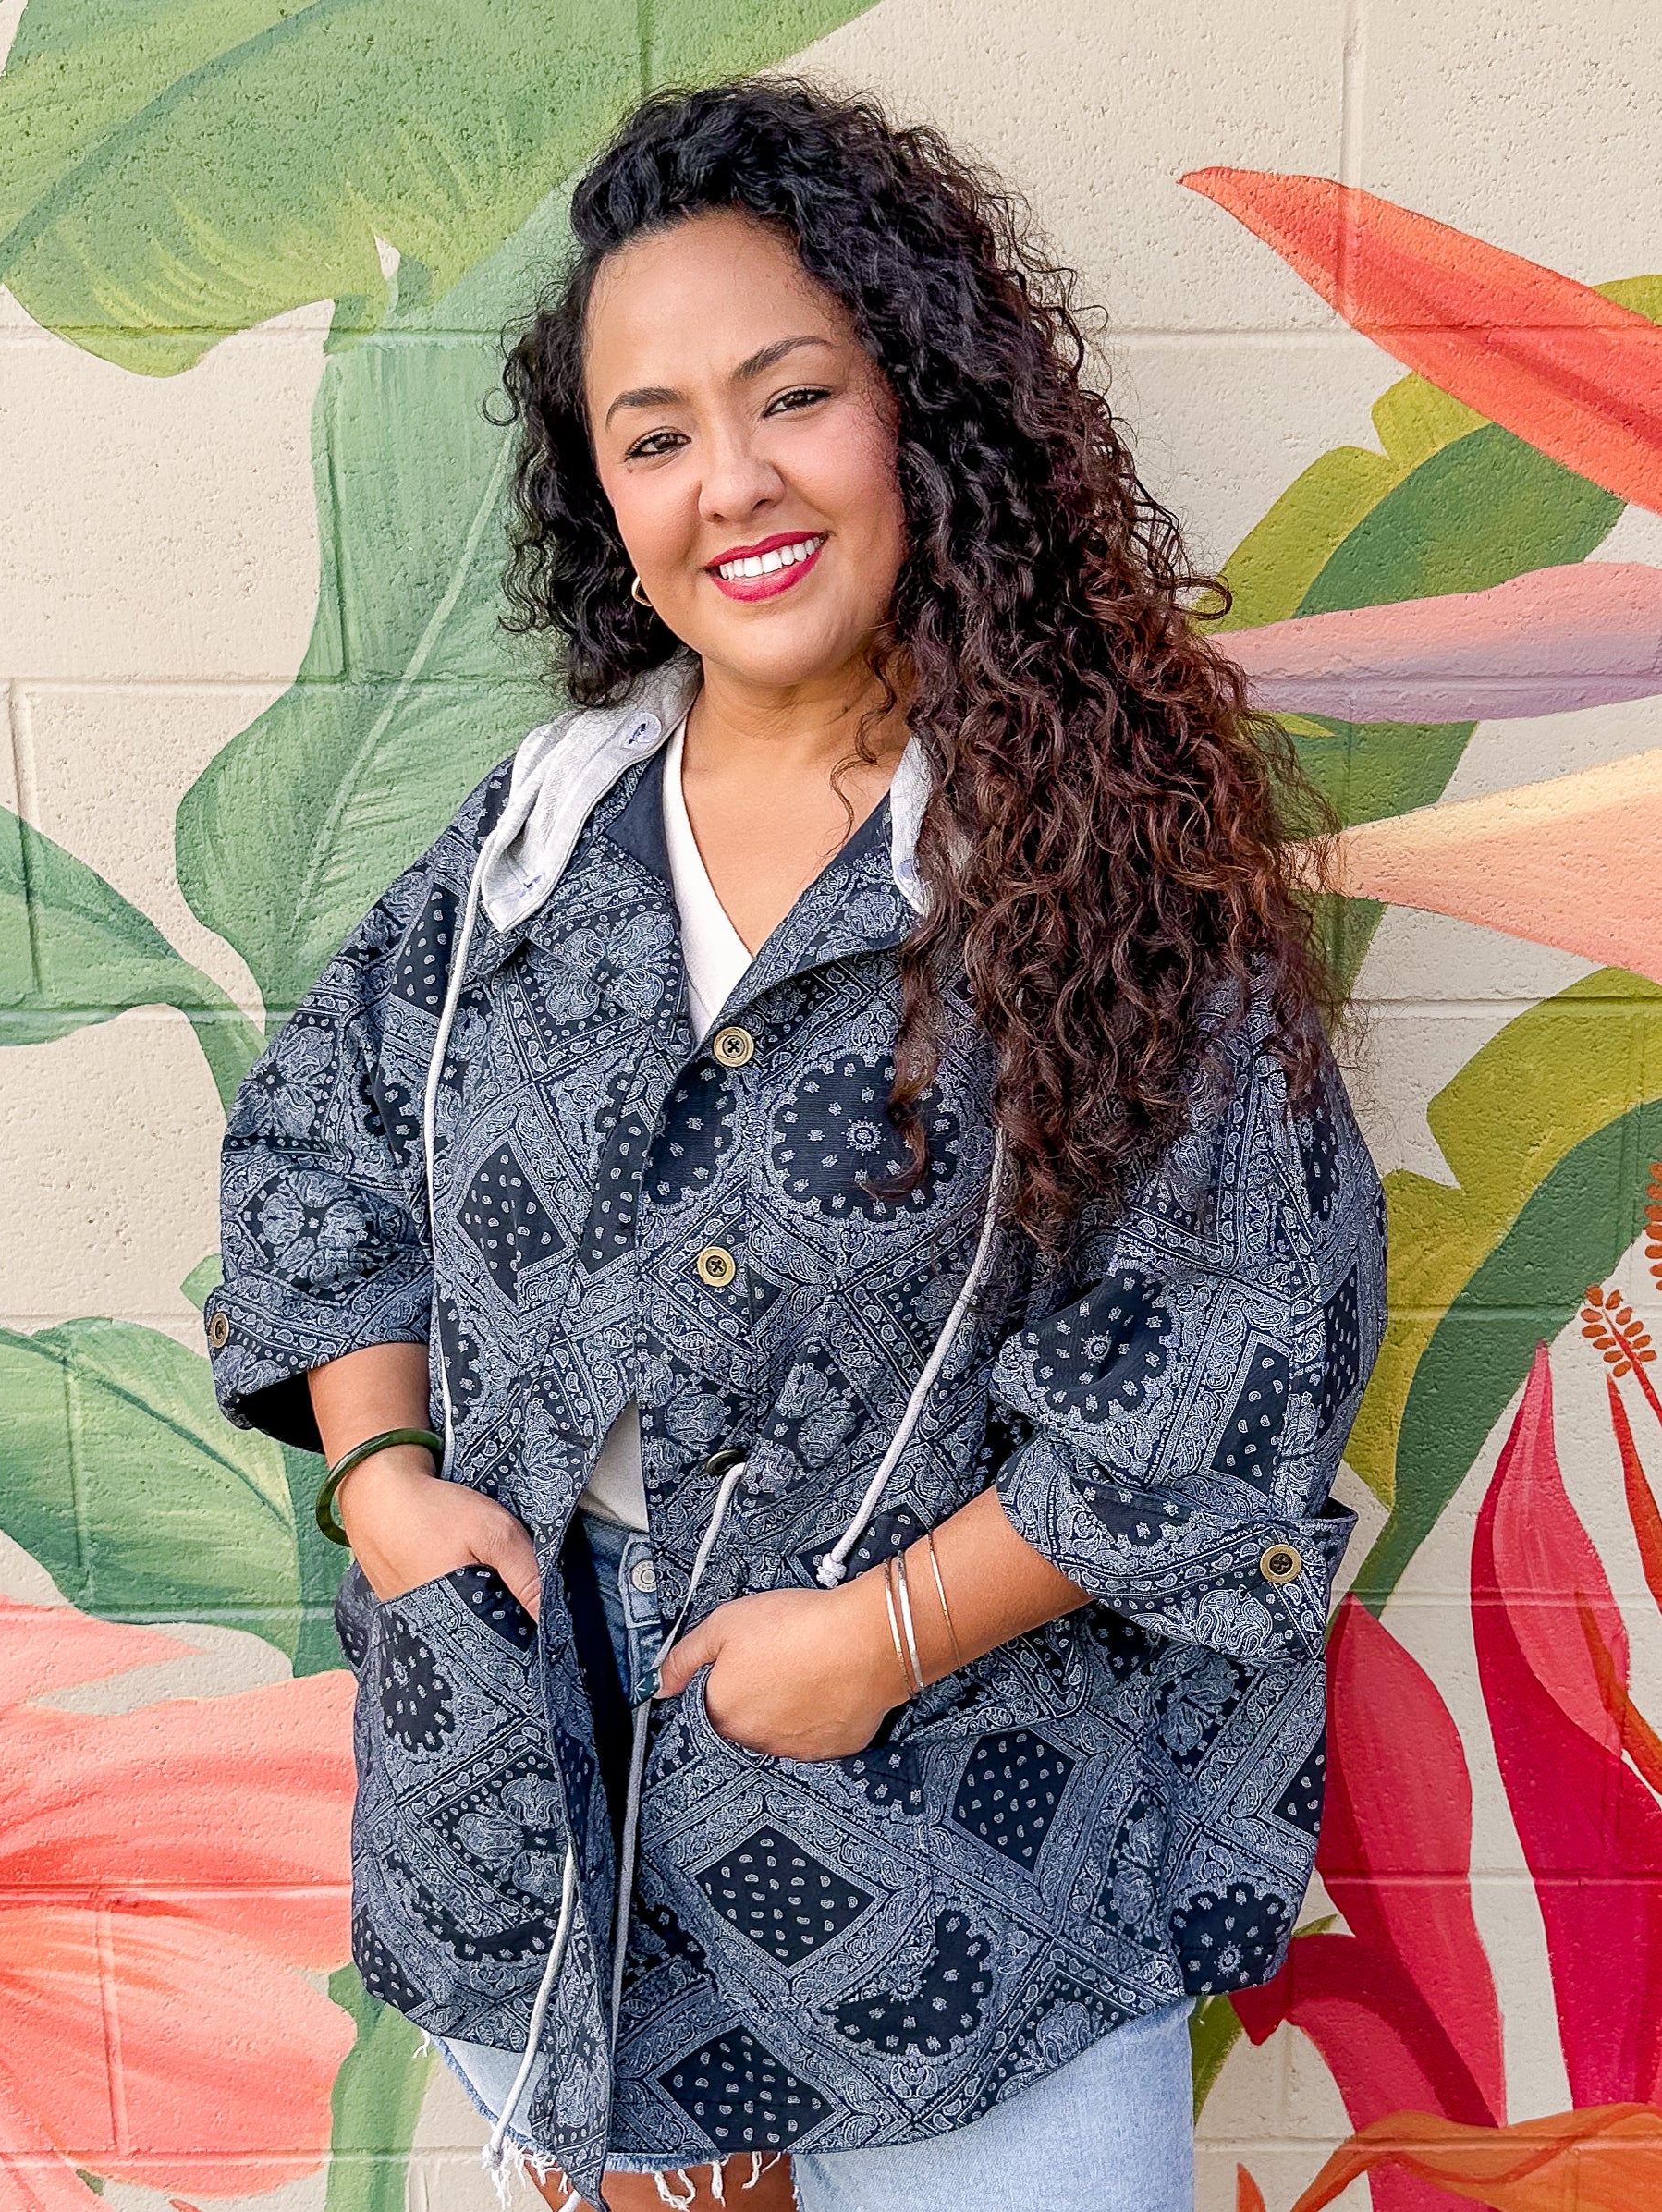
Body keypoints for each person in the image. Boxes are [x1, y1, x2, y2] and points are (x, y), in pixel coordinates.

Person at [206, 76, 1388, 2212]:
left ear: (920, 408)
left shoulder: (1094, 867)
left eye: (793, 398)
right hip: (547, 1817)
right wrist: (386, 1487)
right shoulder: (535, 845)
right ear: (602, 492)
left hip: (956, 1857)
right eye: (653, 435)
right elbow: (323, 1154)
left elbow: (1229, 1347)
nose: (730, 483)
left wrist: (896, 1630)